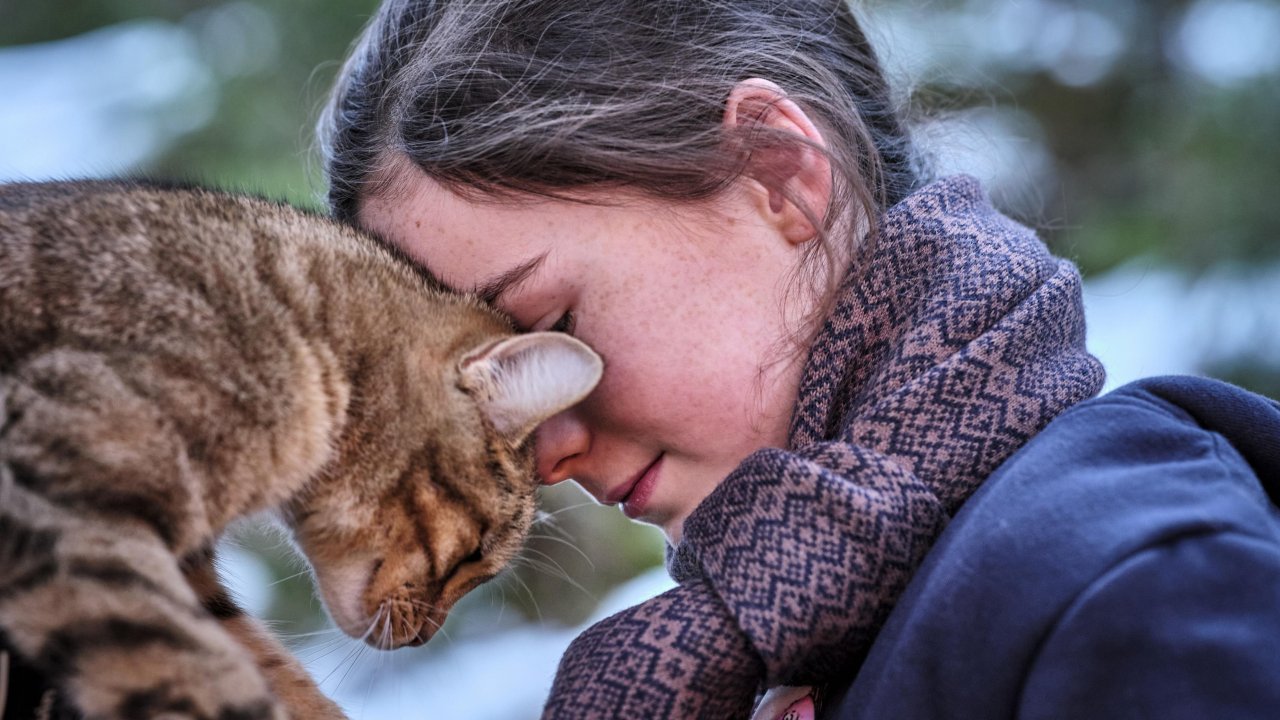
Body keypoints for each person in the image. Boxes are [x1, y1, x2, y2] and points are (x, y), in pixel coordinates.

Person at [319, 1, 1280, 718]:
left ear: (778, 174)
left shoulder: (1132, 583)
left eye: (552, 321)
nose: (541, 455)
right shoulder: (801, 639)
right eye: (486, 405)